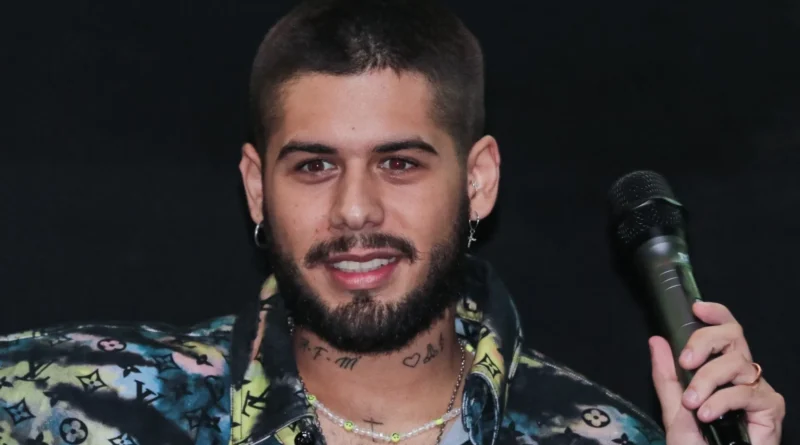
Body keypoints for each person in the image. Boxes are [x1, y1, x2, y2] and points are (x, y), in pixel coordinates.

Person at [0, 0, 785, 444]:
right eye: (314, 165)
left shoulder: (603, 436)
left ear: (478, 181)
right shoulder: (64, 401)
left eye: (400, 163)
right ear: (256, 188)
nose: (355, 209)